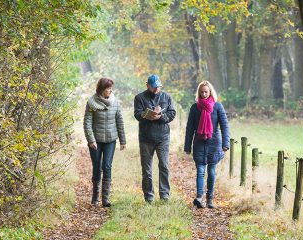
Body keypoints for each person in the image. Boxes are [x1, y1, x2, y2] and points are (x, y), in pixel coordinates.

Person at [184, 80, 229, 209]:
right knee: (200, 171)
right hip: (199, 143)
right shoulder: (195, 107)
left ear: (210, 92)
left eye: (206, 92)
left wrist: (225, 143)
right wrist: (187, 146)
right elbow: (190, 128)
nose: (204, 94)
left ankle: (210, 199)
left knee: (212, 171)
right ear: (199, 93)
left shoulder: (217, 107)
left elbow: (225, 126)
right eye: (201, 92)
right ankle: (199, 197)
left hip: (214, 143)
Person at [83, 78, 126, 207]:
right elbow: (87, 123)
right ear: (101, 89)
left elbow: (119, 121)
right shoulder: (91, 103)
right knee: (97, 167)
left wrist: (122, 141)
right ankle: (95, 198)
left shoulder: (115, 102)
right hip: (95, 141)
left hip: (110, 141)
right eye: (108, 88)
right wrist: (91, 140)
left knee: (107, 166)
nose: (110, 90)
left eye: (111, 88)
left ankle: (105, 199)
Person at [134, 74, 176, 203]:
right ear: (147, 85)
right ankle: (149, 196)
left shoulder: (167, 97)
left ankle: (164, 195)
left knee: (164, 165)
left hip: (162, 137)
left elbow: (172, 113)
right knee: (146, 169)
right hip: (146, 138)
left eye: (158, 87)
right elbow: (137, 114)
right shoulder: (139, 98)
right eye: (153, 87)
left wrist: (161, 116)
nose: (156, 90)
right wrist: (147, 115)